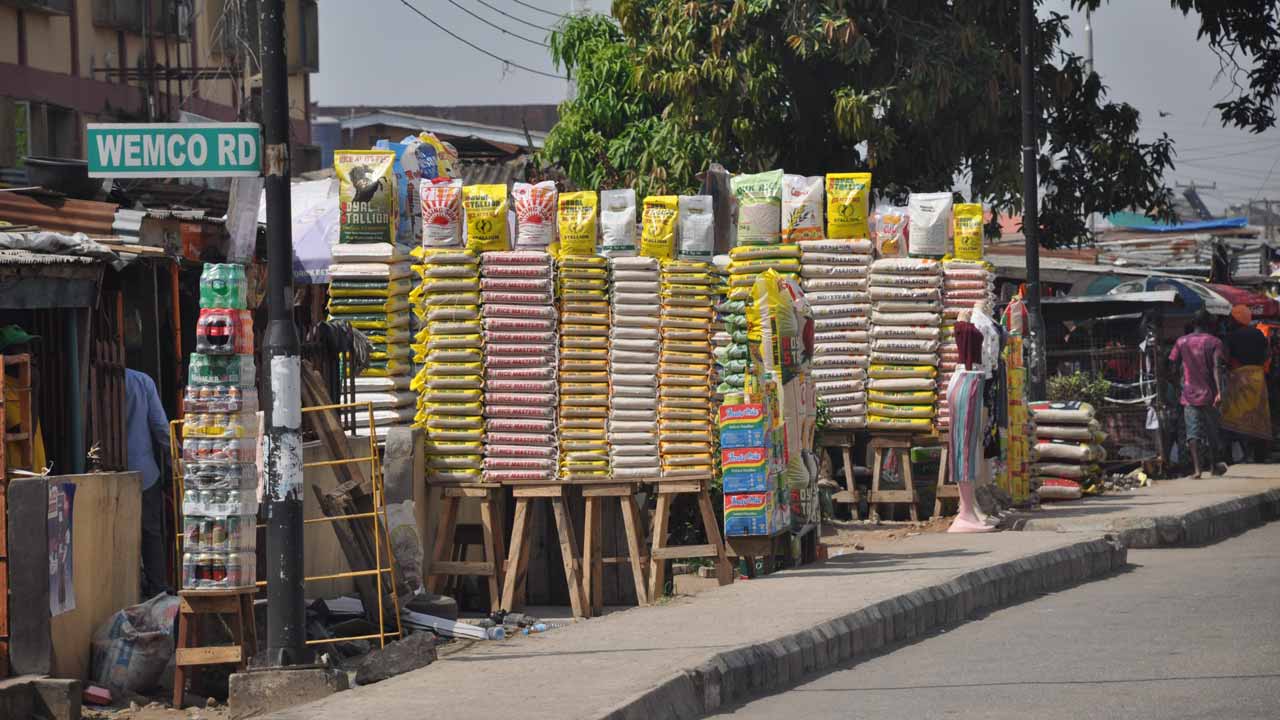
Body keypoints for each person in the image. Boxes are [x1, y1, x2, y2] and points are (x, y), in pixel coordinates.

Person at [125, 368, 171, 597]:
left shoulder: (88, 381)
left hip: (108, 470)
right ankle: (157, 589)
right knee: (150, 533)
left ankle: (126, 588)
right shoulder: (142, 381)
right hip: (144, 472)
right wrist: (175, 460)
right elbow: (161, 427)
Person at [1169, 311, 1228, 478]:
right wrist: (1219, 392)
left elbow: (1171, 366)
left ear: (1193, 323)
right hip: (1209, 394)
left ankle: (1197, 470)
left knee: (1192, 432)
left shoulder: (1181, 341)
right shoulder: (1215, 342)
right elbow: (1217, 367)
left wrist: (1177, 385)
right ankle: (1214, 467)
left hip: (1188, 393)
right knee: (1212, 431)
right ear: (1209, 324)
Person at [1221, 304, 1271, 461]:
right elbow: (1267, 354)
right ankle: (1260, 455)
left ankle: (1235, 455)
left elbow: (1226, 357)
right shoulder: (1258, 334)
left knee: (1235, 418)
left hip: (1239, 378)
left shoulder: (1231, 336)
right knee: (1258, 416)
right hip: (1258, 378)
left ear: (1236, 319)